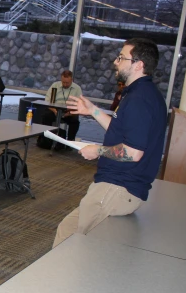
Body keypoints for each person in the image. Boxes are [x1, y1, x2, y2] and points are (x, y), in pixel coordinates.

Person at [52, 38, 167, 248]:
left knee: (75, 246)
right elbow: (121, 131)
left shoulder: (139, 100)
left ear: (138, 65)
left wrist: (98, 150)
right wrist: (93, 111)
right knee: (66, 231)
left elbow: (133, 153)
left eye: (122, 58)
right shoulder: (141, 94)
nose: (116, 62)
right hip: (115, 186)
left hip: (118, 188)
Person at [43, 70, 83, 141]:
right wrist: (54, 110)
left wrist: (69, 113)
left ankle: (70, 141)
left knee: (75, 120)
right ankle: (46, 139)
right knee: (46, 115)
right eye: (63, 82)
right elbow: (47, 100)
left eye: (67, 83)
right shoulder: (55, 85)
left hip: (69, 111)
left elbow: (79, 105)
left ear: (71, 80)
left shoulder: (77, 88)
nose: (65, 84)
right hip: (55, 109)